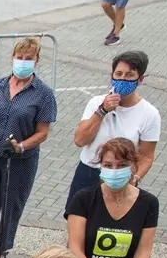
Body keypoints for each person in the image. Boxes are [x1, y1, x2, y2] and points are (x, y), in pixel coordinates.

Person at [0, 37, 57, 258]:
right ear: (12, 58)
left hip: (19, 159)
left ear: (36, 61)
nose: (23, 62)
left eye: (28, 58)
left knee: (11, 204)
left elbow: (43, 132)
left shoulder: (43, 93)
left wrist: (21, 145)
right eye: (19, 57)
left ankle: (2, 248)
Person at [66, 51, 159, 212]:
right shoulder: (96, 102)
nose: (123, 79)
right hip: (89, 173)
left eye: (129, 75)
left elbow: (146, 156)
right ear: (112, 76)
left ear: (140, 79)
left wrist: (134, 179)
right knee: (78, 225)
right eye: (119, 74)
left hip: (121, 178)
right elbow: (80, 140)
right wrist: (102, 111)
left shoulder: (149, 114)